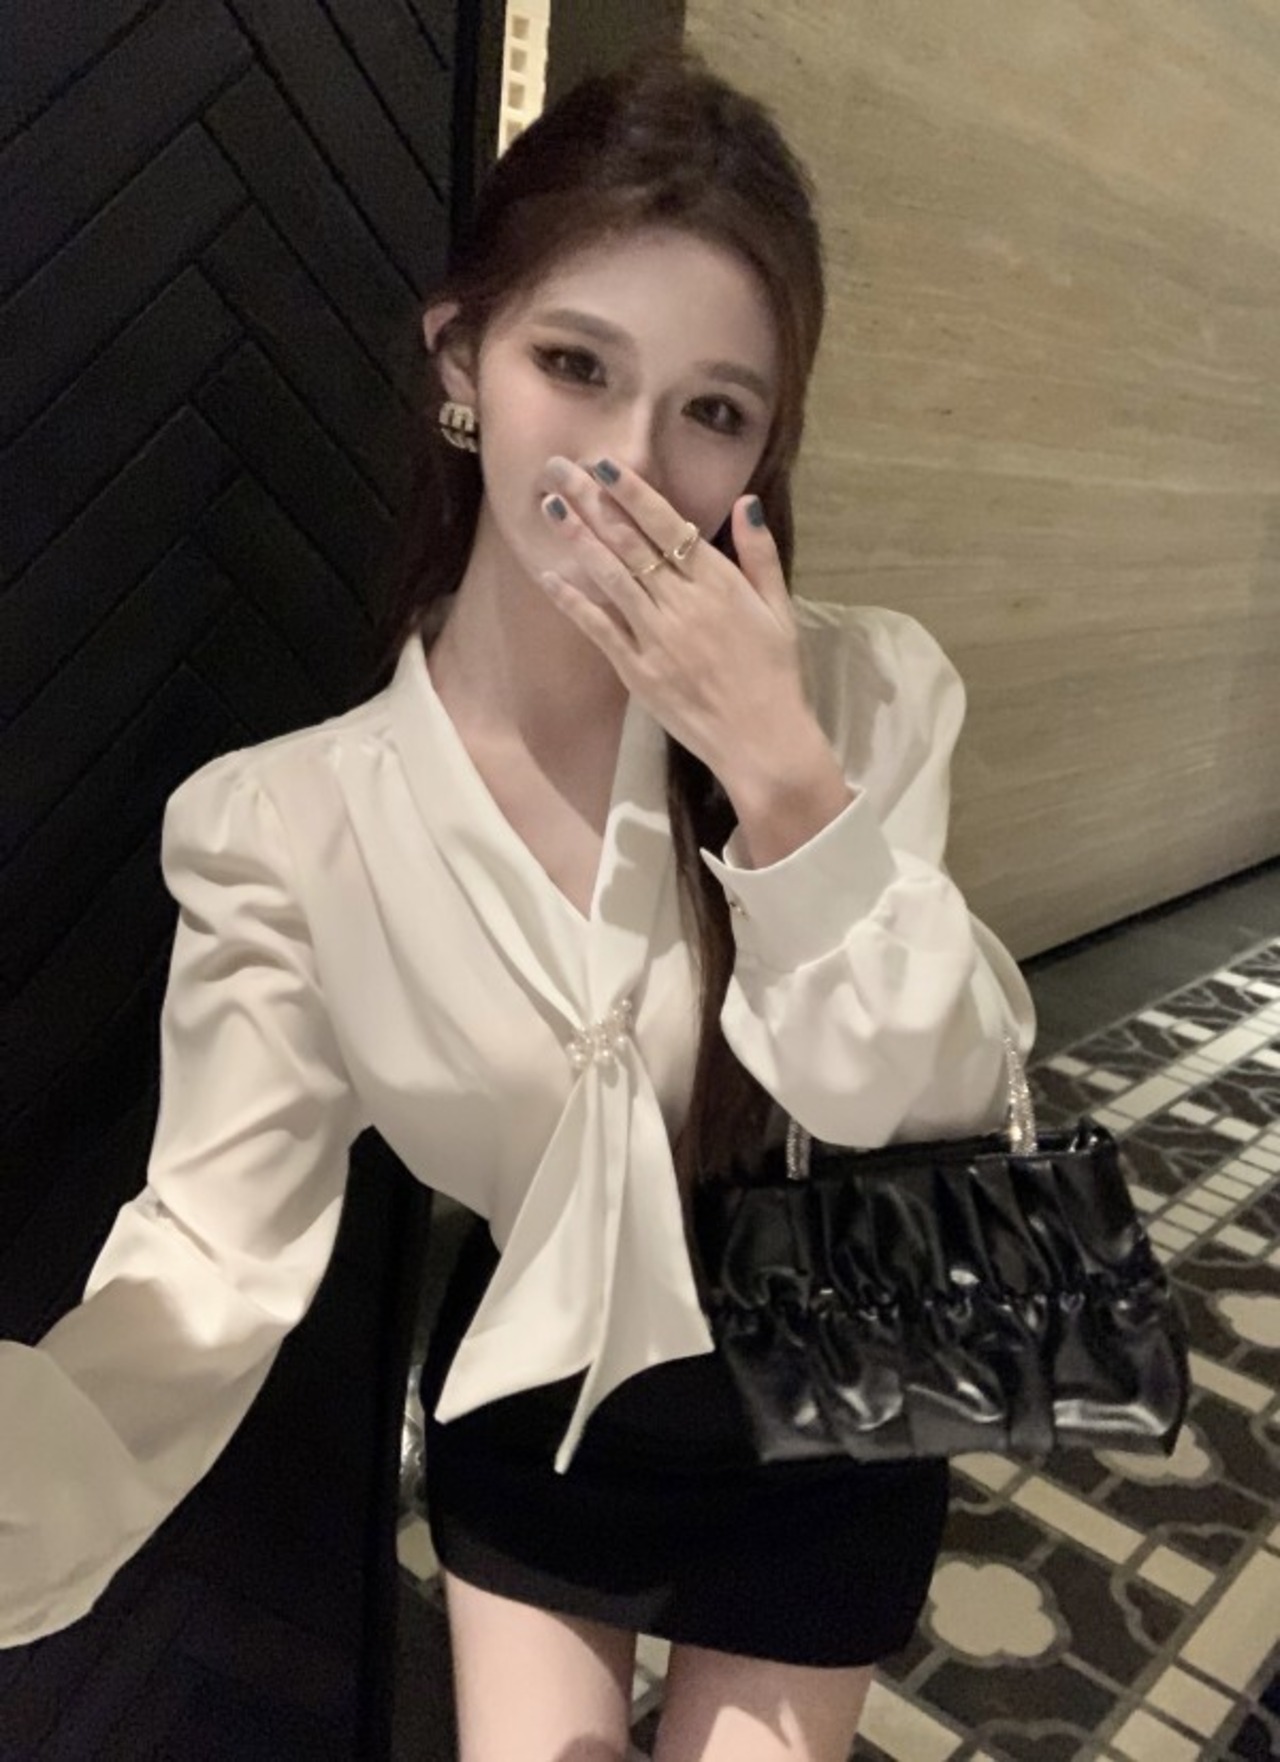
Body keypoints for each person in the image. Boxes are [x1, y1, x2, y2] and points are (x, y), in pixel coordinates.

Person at [0, 49, 1035, 1762]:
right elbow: (207, 1264)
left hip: (836, 1386)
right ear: (460, 359)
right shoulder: (286, 828)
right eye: (576, 364)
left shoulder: (867, 695)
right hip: (542, 1411)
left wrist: (780, 777)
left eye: (713, 410)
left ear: (765, 448)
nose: (628, 463)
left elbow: (912, 1092)